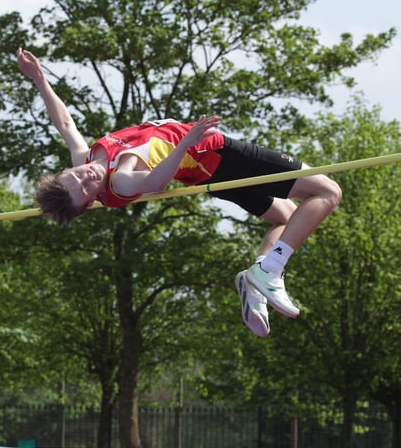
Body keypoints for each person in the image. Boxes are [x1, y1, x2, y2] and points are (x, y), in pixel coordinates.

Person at [17, 47, 342, 337]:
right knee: (327, 192)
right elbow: (153, 183)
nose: (86, 176)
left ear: (68, 169)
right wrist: (185, 142)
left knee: (285, 218)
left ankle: (255, 279)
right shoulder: (119, 182)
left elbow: (66, 125)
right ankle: (270, 270)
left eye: (77, 175)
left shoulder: (86, 158)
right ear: (90, 203)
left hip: (209, 172)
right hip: (219, 154)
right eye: (86, 188)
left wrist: (40, 80)